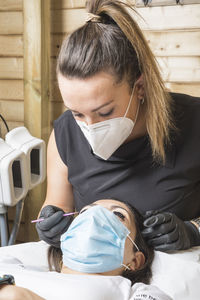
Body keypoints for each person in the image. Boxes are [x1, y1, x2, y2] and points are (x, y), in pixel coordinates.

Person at [36, 0, 200, 252]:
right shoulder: (65, 134)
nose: (90, 127)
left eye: (104, 112)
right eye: (77, 113)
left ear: (140, 87)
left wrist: (192, 231)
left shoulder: (194, 122)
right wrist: (51, 224)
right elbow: (59, 208)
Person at [0, 199, 172, 300]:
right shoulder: (17, 267)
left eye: (118, 215)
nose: (94, 217)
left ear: (135, 260)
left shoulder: (135, 292)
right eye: (84, 213)